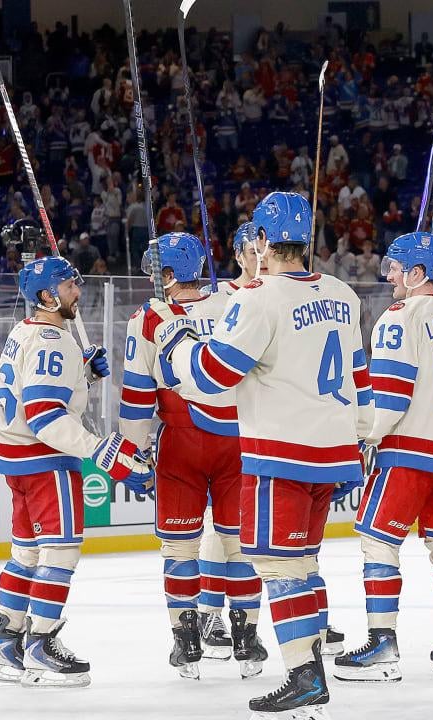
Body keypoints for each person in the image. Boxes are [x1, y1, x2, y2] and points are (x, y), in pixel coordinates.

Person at [147, 191, 372, 717]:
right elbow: (360, 376)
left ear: (265, 240)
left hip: (281, 454)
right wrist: (361, 438)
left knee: (277, 566)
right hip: (334, 451)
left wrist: (174, 338)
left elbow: (210, 378)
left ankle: (304, 676)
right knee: (303, 561)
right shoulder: (343, 292)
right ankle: (310, 660)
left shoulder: (258, 297)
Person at [118, 232, 267, 681]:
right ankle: (247, 641)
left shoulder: (147, 317)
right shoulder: (234, 303)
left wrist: (132, 451)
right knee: (239, 545)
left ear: (168, 275)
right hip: (237, 438)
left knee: (179, 549)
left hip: (181, 443)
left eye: (154, 271)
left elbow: (136, 398)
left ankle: (186, 644)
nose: (150, 280)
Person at [0, 254, 151, 688]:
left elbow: (34, 390)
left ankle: (5, 642)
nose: (77, 292)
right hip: (46, 462)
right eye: (68, 286)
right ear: (47, 295)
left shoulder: (27, 332)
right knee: (60, 553)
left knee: (26, 554)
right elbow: (45, 416)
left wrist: (82, 372)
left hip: (16, 459)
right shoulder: (52, 339)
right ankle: (40, 646)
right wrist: (99, 449)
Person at [334, 232, 433, 681]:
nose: (390, 275)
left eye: (397, 267)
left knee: (379, 543)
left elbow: (393, 396)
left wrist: (369, 437)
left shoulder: (398, 316)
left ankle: (382, 644)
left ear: (418, 274)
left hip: (411, 451)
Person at [193, 222, 269, 664]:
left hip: (263, 424)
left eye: (265, 247)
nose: (260, 254)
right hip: (222, 425)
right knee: (218, 528)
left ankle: (246, 617)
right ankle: (207, 611)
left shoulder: (275, 294)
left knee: (247, 530)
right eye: (252, 248)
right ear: (238, 254)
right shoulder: (219, 300)